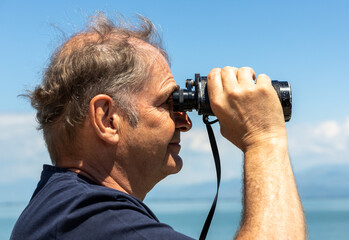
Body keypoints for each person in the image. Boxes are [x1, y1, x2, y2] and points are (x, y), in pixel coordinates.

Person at [11, 13, 305, 240]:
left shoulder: (64, 210)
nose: (185, 122)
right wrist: (264, 139)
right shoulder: (89, 220)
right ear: (107, 119)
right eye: (168, 102)